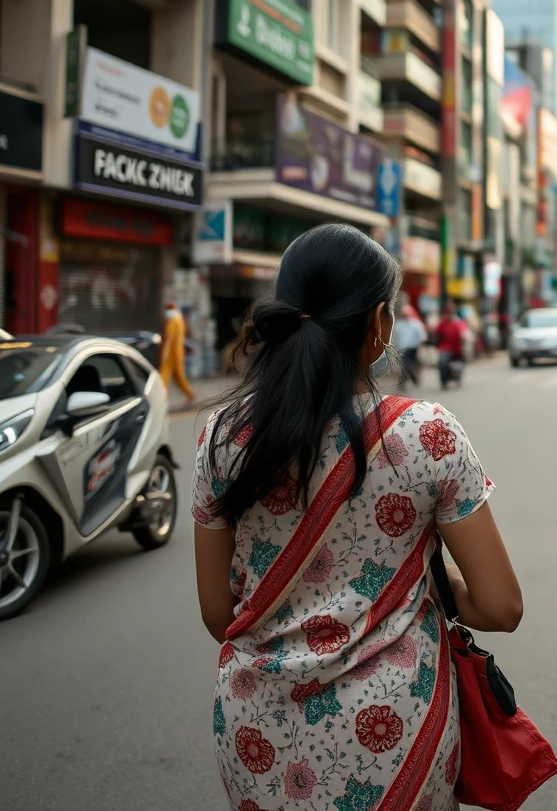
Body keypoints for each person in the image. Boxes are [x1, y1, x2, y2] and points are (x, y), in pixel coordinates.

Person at [192, 224, 522, 811]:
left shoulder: (221, 437)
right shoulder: (427, 435)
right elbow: (500, 607)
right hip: (392, 732)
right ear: (379, 323)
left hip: (254, 730)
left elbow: (220, 615)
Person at [160, 302, 195, 406]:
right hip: (177, 353)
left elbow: (168, 339)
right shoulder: (179, 320)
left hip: (171, 354)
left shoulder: (172, 321)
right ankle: (190, 394)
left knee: (164, 377)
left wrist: (164, 354)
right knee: (178, 377)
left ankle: (162, 397)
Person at [393, 299, 427, 387]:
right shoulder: (399, 324)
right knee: (406, 364)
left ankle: (408, 380)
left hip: (413, 348)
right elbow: (395, 336)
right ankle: (407, 381)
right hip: (403, 348)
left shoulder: (416, 324)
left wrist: (419, 345)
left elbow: (422, 336)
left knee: (409, 364)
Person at [434, 301, 466, 388]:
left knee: (458, 365)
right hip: (445, 347)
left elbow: (463, 334)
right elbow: (436, 332)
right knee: (442, 362)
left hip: (456, 348)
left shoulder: (458, 322)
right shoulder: (442, 322)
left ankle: (456, 378)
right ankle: (444, 381)